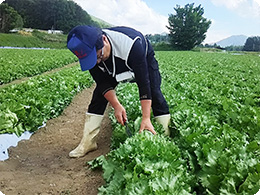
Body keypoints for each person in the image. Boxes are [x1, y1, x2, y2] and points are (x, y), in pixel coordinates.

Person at [67, 25, 171, 158]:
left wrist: (146, 118)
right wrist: (116, 105)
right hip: (113, 66)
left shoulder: (131, 44)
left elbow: (144, 83)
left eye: (99, 56)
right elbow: (102, 83)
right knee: (98, 97)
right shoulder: (93, 57)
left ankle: (165, 137)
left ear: (104, 40)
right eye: (93, 60)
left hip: (142, 60)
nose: (97, 62)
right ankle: (88, 142)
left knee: (155, 93)